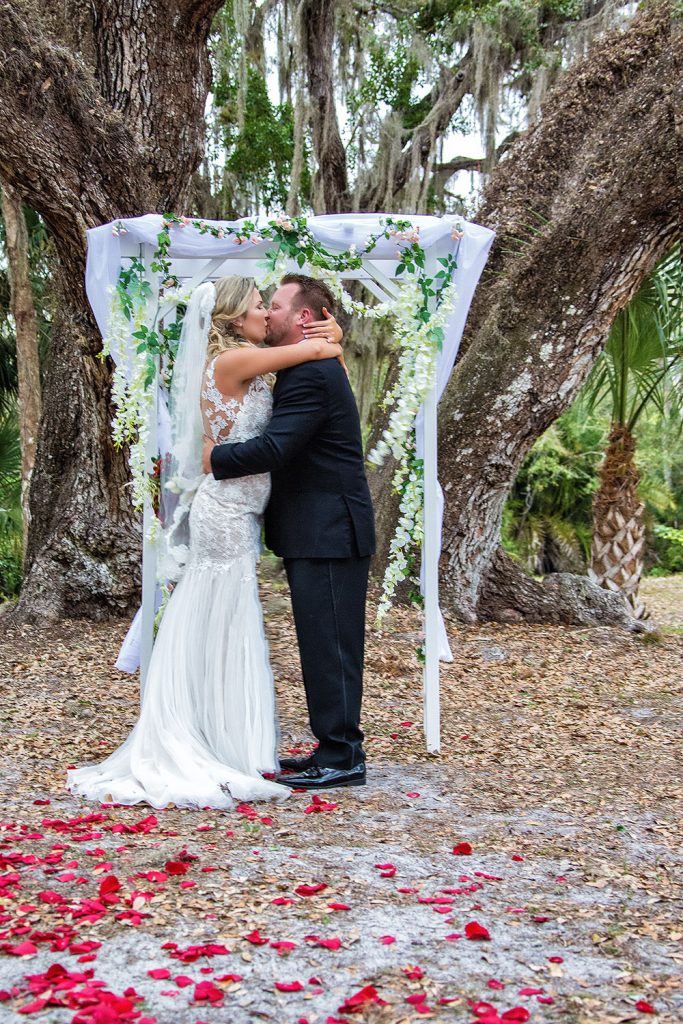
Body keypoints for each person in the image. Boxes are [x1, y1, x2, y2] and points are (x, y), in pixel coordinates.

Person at [67, 275, 343, 809]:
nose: (267, 313)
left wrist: (325, 341)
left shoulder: (241, 363)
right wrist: (328, 334)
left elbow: (313, 359)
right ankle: (204, 734)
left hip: (240, 510)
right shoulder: (231, 363)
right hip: (225, 512)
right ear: (237, 318)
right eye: (262, 305)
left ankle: (219, 733)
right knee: (220, 611)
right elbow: (317, 350)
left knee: (225, 614)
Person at [203, 274, 375, 792]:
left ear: (303, 317)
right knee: (321, 642)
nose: (269, 313)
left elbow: (278, 448)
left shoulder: (313, 374)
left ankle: (343, 755)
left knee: (332, 645)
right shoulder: (309, 364)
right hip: (315, 528)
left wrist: (213, 459)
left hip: (329, 529)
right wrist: (331, 342)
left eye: (275, 305)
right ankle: (332, 746)